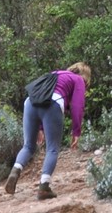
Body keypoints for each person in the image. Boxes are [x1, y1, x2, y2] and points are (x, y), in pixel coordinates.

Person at [5, 62, 92, 200]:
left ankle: (15, 171)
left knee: (28, 146)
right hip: (53, 104)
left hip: (30, 102)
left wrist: (39, 127)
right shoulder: (78, 80)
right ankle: (44, 187)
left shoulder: (55, 74)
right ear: (85, 77)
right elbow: (77, 106)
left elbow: (42, 96)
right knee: (52, 149)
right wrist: (76, 131)